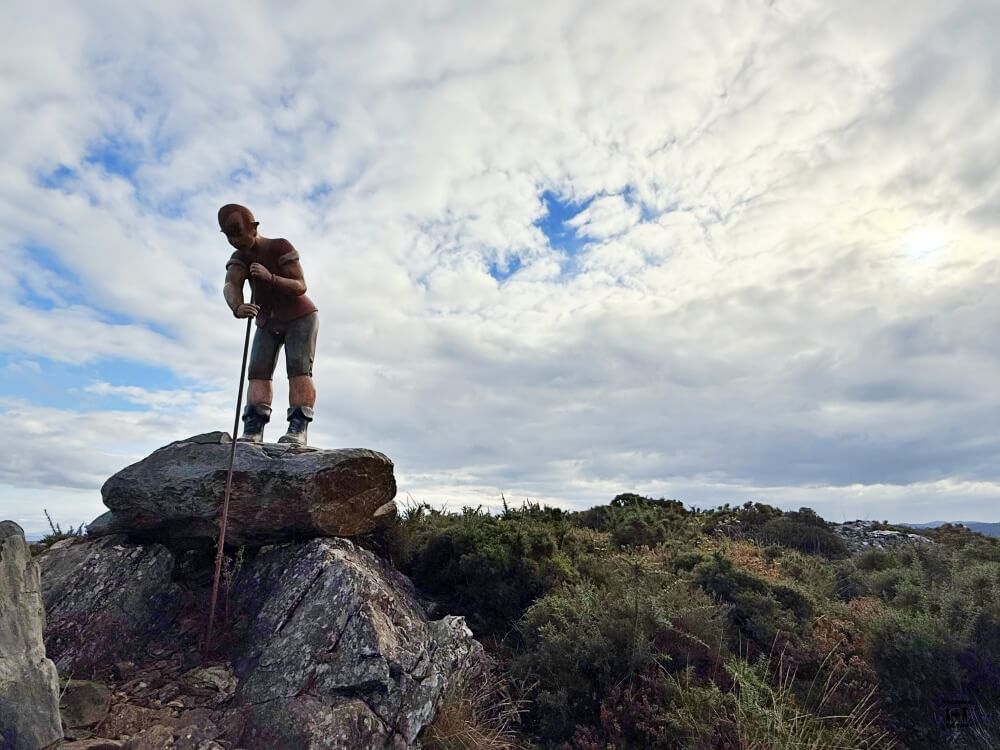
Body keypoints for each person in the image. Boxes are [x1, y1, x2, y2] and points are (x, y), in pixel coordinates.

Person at [219, 204, 318, 445]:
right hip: (267, 319)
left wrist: (270, 277)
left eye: (238, 233)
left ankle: (298, 426)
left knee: (298, 369)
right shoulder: (239, 258)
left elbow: (300, 285)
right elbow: (231, 284)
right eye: (229, 236)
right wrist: (238, 306)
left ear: (253, 228)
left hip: (300, 317)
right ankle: (254, 426)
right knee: (258, 371)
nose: (235, 241)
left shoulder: (279, 246)